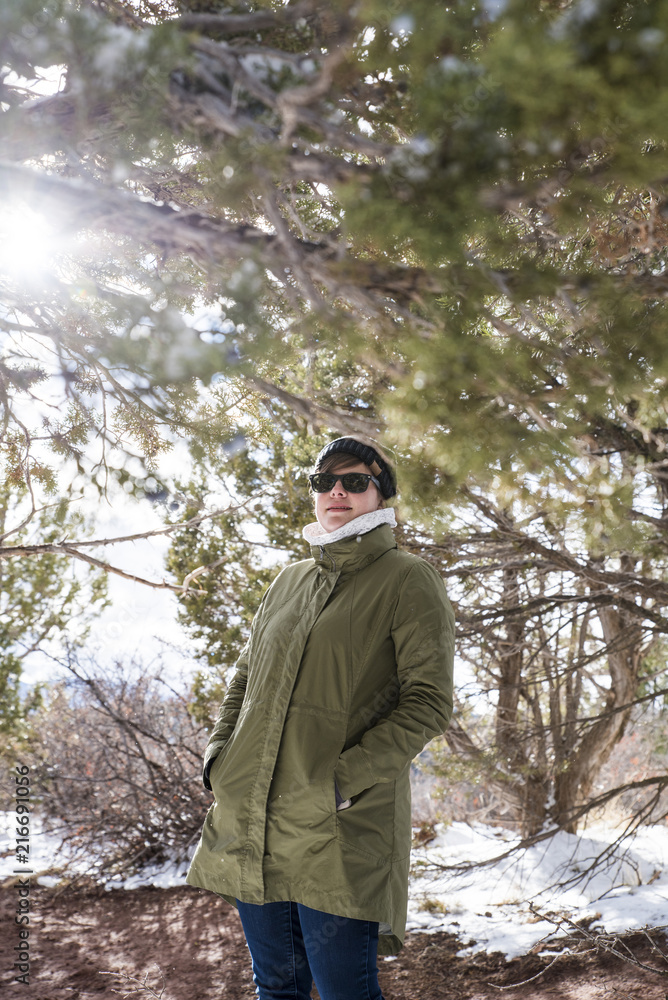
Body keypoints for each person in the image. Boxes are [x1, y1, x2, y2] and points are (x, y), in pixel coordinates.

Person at [186, 435, 455, 1000]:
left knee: (344, 993)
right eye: (324, 482)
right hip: (254, 814)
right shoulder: (290, 580)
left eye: (356, 481)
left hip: (336, 825)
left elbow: (428, 702)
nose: (338, 491)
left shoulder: (407, 578)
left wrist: (338, 782)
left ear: (381, 496)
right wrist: (219, 760)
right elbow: (245, 678)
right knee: (277, 988)